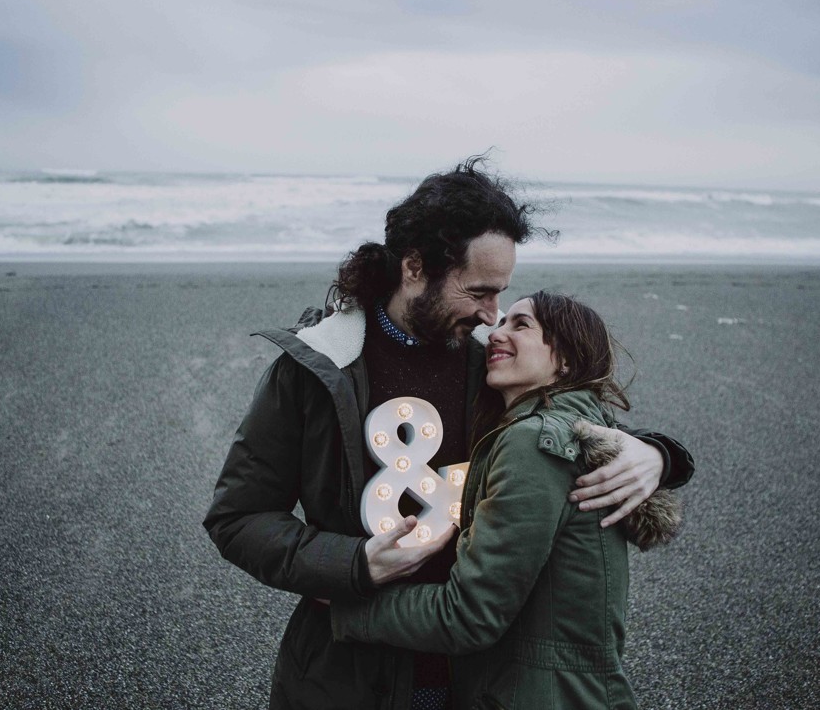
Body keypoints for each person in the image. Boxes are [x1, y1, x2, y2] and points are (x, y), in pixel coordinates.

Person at [203, 157, 693, 710]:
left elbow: (571, 430)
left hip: (475, 676)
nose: (493, 315)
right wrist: (352, 564)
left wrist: (657, 454)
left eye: (501, 294)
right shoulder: (319, 368)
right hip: (344, 672)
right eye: (479, 291)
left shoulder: (494, 368)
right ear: (415, 268)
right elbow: (237, 517)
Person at [331, 291, 679, 709]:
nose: (497, 333)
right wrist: (665, 454)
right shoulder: (582, 430)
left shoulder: (533, 443)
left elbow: (468, 617)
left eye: (521, 324)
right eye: (501, 322)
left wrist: (347, 609)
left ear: (566, 360)